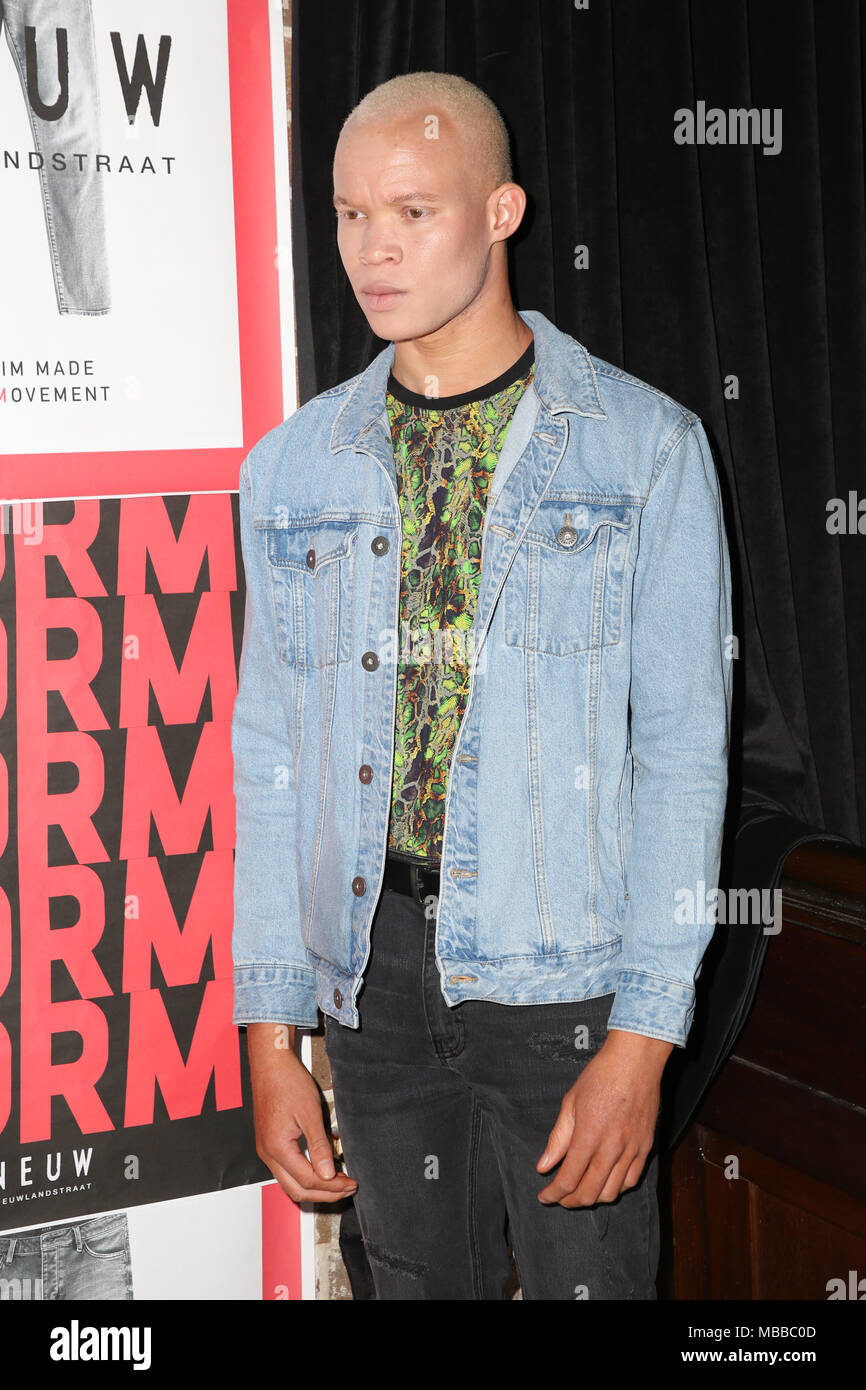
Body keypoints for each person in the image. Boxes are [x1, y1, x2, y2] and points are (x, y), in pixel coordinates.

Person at [231, 70, 732, 1300]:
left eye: (411, 211)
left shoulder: (642, 447)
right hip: (373, 977)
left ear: (502, 211)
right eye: (350, 215)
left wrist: (642, 1040)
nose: (373, 248)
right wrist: (271, 1034)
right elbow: (270, 755)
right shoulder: (292, 466)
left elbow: (681, 753)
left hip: (565, 978)